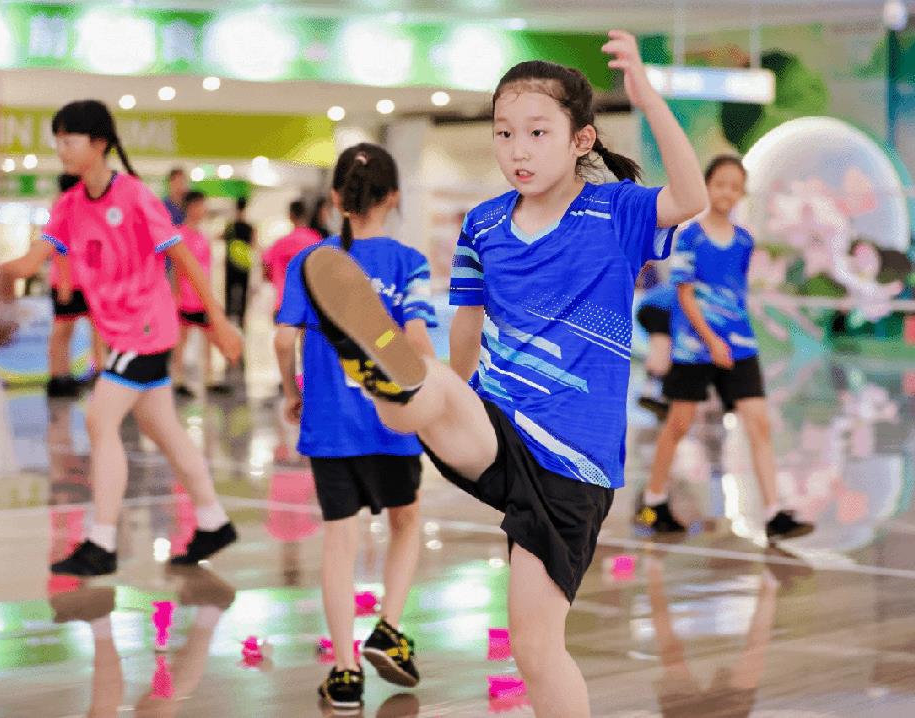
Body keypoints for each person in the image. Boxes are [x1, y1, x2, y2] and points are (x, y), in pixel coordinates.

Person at [298, 31, 708, 717]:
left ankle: (392, 380)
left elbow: (689, 195)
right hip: (495, 426)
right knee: (430, 387)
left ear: (581, 139)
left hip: (572, 462)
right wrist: (447, 403)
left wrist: (648, 98)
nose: (518, 149)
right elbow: (466, 326)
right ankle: (392, 378)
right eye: (504, 132)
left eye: (538, 133)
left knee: (536, 648)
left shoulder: (617, 212)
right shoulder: (484, 225)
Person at [0, 100, 242, 576]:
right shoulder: (68, 206)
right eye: (58, 141)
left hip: (145, 329)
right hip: (120, 332)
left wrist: (219, 321)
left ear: (99, 144)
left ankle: (102, 541)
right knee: (164, 429)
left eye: (69, 140)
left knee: (99, 419)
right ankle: (214, 520)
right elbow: (28, 264)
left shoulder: (135, 197)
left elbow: (184, 260)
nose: (62, 149)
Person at [274, 144, 436, 711]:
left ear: (336, 198)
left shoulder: (308, 262)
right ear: (394, 197)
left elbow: (282, 339)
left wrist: (293, 393)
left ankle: (345, 673)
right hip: (393, 423)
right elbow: (416, 341)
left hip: (329, 425)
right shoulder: (409, 262)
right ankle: (388, 626)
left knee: (340, 545)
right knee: (405, 522)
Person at [638, 156, 813, 542]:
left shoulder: (745, 240)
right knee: (679, 424)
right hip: (693, 348)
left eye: (735, 186)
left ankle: (774, 512)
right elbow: (685, 294)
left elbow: (736, 291)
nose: (727, 192)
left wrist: (729, 339)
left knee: (759, 423)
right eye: (720, 184)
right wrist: (711, 340)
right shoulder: (691, 237)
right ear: (707, 186)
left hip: (739, 346)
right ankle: (654, 501)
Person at [46, 173, 104, 398]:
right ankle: (58, 377)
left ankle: (98, 372)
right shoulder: (61, 208)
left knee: (97, 328)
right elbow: (59, 246)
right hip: (66, 281)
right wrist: (65, 281)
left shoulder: (85, 209)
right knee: (62, 330)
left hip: (87, 280)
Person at [171, 191, 220, 398]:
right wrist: (177, 294)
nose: (203, 210)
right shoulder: (180, 235)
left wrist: (210, 296)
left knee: (210, 337)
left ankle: (209, 377)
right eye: (199, 205)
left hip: (203, 298)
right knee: (182, 339)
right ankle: (178, 378)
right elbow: (177, 267)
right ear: (190, 207)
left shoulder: (203, 236)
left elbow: (207, 269)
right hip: (186, 297)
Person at [262, 200, 321, 323]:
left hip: (283, 304)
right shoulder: (316, 241)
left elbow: (266, 269)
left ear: (290, 216)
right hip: (309, 306)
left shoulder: (280, 243)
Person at [635, 283, 677, 422]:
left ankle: (653, 393)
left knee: (663, 352)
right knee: (662, 352)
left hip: (653, 307)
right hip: (658, 308)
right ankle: (649, 393)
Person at [222, 196, 254, 330]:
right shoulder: (249, 227)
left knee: (229, 290)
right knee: (243, 291)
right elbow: (253, 244)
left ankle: (228, 316)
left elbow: (223, 239)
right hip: (244, 264)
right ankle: (242, 318)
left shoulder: (230, 226)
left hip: (231, 263)